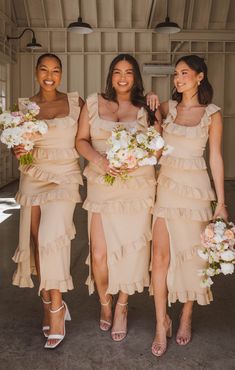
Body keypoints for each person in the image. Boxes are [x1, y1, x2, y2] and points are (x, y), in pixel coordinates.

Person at [76, 54, 161, 341]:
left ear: (136, 77)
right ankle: (105, 302)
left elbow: (157, 149)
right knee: (99, 254)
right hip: (103, 184)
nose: (122, 78)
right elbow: (81, 141)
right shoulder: (93, 102)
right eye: (117, 72)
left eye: (128, 72)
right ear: (110, 75)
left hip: (137, 187)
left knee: (132, 250)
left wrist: (136, 162)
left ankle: (122, 304)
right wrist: (100, 161)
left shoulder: (147, 107)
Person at [151, 54, 228, 357]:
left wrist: (221, 203)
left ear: (200, 77)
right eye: (175, 74)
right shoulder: (168, 109)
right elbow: (154, 145)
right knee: (160, 257)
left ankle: (185, 315)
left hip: (196, 191)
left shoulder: (212, 114)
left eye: (185, 73)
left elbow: (216, 158)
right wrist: (152, 107)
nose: (178, 78)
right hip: (167, 187)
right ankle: (161, 322)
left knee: (192, 259)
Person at [12, 53, 84, 349]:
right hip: (34, 172)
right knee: (35, 241)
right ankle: (47, 301)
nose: (50, 75)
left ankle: (56, 309)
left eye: (55, 70)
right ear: (36, 72)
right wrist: (17, 149)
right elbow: (19, 143)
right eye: (44, 69)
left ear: (62, 74)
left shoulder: (76, 103)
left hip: (65, 174)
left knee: (51, 237)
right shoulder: (24, 108)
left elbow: (88, 137)